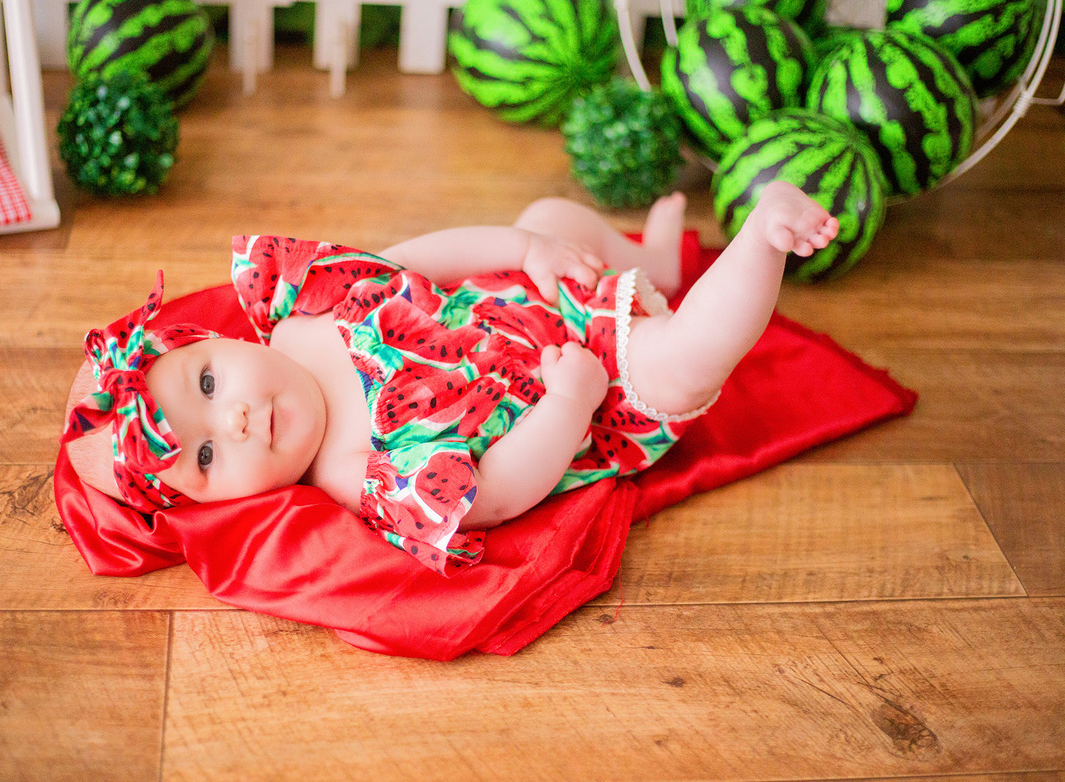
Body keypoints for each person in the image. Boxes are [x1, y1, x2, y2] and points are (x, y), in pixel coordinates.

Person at [63, 181, 838, 575]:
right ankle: (765, 235)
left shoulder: (302, 307)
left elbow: (415, 258)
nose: (231, 420)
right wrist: (570, 404)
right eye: (204, 458)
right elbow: (496, 493)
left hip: (534, 288)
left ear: (211, 340)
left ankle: (652, 265)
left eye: (205, 385)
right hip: (592, 382)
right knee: (684, 359)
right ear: (216, 506)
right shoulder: (359, 477)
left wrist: (524, 246)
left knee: (551, 215)